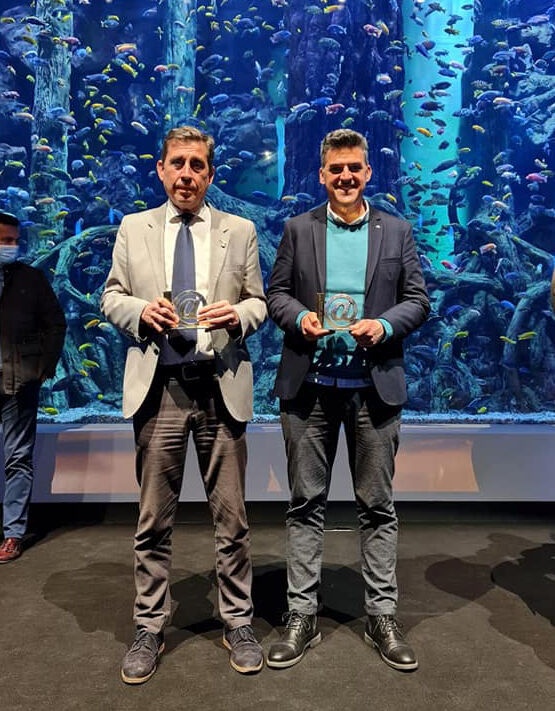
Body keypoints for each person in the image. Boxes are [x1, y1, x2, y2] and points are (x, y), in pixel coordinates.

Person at [101, 126, 267, 684]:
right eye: (178, 163)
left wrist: (237, 316)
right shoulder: (134, 228)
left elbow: (259, 302)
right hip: (160, 391)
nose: (187, 174)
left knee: (232, 519)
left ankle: (238, 621)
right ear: (161, 169)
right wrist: (140, 312)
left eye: (198, 165)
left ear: (211, 174)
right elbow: (111, 295)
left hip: (220, 386)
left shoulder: (239, 230)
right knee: (153, 520)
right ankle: (149, 626)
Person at [266, 129, 430, 672]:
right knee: (305, 504)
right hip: (310, 389)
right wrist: (298, 317)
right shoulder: (298, 228)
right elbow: (276, 293)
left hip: (374, 389)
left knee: (377, 508)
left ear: (368, 172)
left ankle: (382, 616)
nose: (345, 177)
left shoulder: (397, 231)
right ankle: (301, 615)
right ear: (321, 174)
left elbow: (418, 300)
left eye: (354, 168)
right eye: (336, 169)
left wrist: (383, 325)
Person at [0, 212, 66, 563]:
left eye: (13, 241)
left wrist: (43, 368)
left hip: (20, 381)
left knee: (18, 458)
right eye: (3, 240)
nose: (10, 247)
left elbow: (56, 323)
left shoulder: (31, 279)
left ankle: (13, 533)